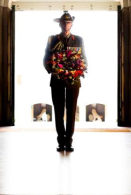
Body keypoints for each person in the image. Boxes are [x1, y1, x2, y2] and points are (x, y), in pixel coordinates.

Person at [43, 11, 88, 152]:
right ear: (60, 24)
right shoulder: (52, 39)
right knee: (58, 110)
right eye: (64, 22)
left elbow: (84, 58)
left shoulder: (79, 40)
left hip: (73, 81)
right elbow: (46, 59)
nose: (66, 24)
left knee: (71, 110)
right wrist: (53, 70)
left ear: (72, 24)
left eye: (68, 22)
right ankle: (60, 141)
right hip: (57, 80)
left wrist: (81, 69)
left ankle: (69, 141)